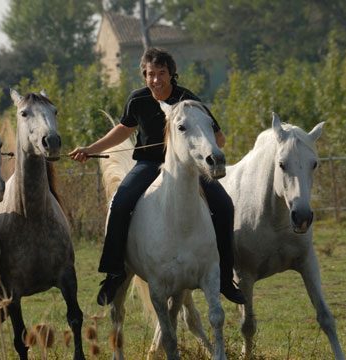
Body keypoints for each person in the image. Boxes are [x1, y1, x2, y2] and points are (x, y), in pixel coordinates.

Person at [69, 47, 245, 306]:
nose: (155, 80)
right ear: (144, 76)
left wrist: (201, 154)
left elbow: (218, 138)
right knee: (120, 203)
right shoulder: (137, 99)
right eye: (150, 74)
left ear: (172, 75)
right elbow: (123, 130)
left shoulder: (188, 100)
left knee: (224, 205)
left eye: (161, 73)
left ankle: (225, 280)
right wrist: (89, 149)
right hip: (148, 165)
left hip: (185, 169)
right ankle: (114, 273)